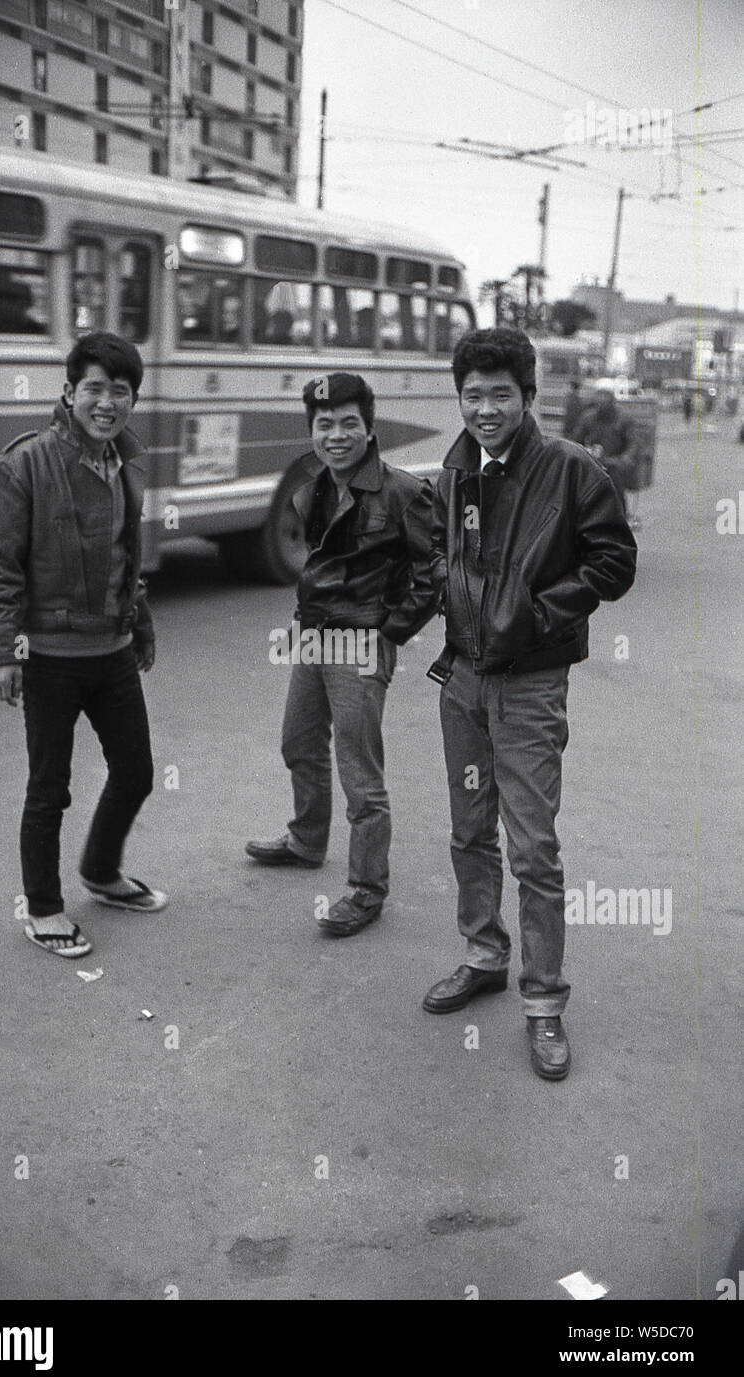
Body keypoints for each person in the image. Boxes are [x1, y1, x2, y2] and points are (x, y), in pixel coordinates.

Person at [423, 328, 637, 1080]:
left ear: (527, 397)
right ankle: (483, 954)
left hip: (531, 685)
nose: (485, 410)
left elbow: (614, 561)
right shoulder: (451, 473)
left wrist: (541, 615)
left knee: (534, 848)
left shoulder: (570, 469)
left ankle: (544, 1004)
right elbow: (434, 564)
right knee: (468, 831)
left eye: (500, 395)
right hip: (463, 681)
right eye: (473, 396)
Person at [0, 332, 166, 959]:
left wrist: (138, 622)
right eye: (95, 389)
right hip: (48, 656)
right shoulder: (23, 463)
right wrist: (4, 651)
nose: (107, 403)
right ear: (68, 392)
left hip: (109, 650)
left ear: (132, 399)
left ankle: (101, 872)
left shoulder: (124, 461)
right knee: (49, 788)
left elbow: (123, 556)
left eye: (120, 391)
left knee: (136, 770)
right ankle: (44, 908)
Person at [245, 372, 437, 936]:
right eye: (324, 424)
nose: (336, 435)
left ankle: (366, 888)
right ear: (312, 431)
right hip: (315, 633)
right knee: (298, 742)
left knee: (361, 775)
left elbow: (432, 575)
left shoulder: (403, 491)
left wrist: (390, 634)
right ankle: (307, 840)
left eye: (348, 423)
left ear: (369, 429)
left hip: (361, 641)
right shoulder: (314, 483)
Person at [573, 383, 640, 513]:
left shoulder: (623, 419)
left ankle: (619, 517)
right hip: (592, 460)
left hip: (614, 462)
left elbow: (633, 442)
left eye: (605, 403)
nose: (601, 407)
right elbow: (576, 439)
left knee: (615, 487)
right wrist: (581, 451)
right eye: (598, 403)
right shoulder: (588, 418)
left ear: (612, 402)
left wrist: (625, 458)